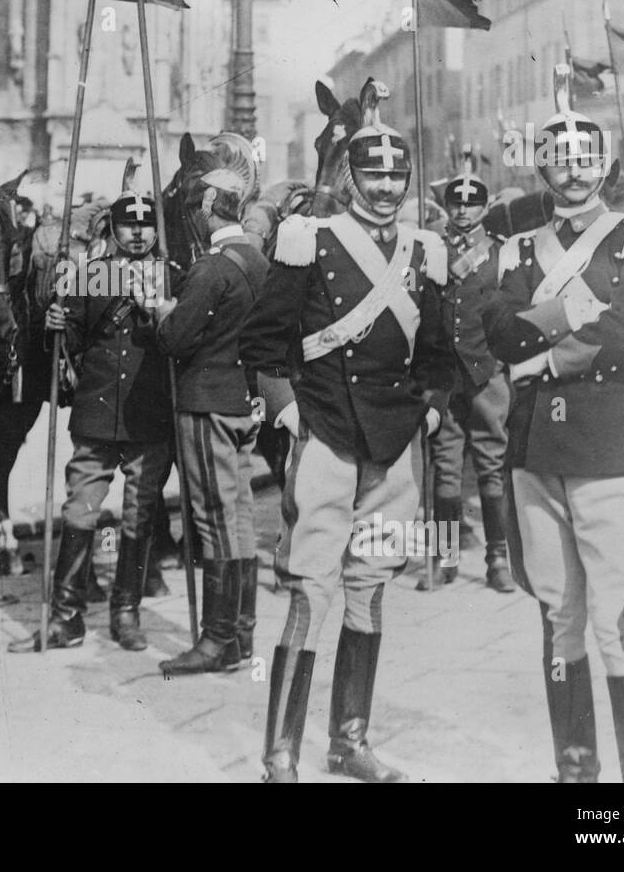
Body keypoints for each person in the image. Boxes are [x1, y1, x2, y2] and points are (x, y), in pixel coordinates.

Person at [241, 119, 453, 783]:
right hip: (328, 434)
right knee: (311, 589)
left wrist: (434, 405)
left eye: (397, 176)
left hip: (395, 448)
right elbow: (264, 342)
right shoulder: (310, 241)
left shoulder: (426, 251)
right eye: (373, 175)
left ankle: (349, 741)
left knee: (371, 584)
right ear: (349, 178)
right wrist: (287, 411)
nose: (386, 188)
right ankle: (280, 750)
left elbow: (442, 353)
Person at [483, 108, 624, 783]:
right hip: (537, 447)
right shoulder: (515, 247)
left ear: (608, 166)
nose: (573, 171)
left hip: (612, 441)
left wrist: (547, 357)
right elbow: (501, 334)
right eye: (560, 159)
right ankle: (576, 767)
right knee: (558, 609)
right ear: (541, 167)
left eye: (586, 159)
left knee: (613, 615)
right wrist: (575, 313)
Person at [8, 190, 171, 653]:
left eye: (145, 226)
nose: (137, 234)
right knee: (80, 511)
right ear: (113, 231)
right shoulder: (91, 276)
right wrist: (57, 322)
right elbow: (73, 340)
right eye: (128, 226)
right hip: (97, 411)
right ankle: (65, 619)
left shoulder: (170, 278)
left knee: (139, 515)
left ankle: (126, 614)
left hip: (149, 414)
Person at [153, 166, 268, 674]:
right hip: (242, 400)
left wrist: (160, 312)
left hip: (205, 403)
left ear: (206, 208)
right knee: (240, 517)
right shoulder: (259, 261)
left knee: (214, 520)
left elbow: (177, 338)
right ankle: (241, 634)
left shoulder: (211, 268)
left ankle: (217, 640)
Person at [423, 171, 515, 593]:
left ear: (485, 206)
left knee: (491, 469)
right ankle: (446, 558)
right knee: (444, 472)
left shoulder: (500, 255)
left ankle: (498, 557)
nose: (463, 210)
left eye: (471, 203)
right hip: (444, 379)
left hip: (486, 374)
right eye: (456, 204)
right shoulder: (432, 251)